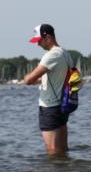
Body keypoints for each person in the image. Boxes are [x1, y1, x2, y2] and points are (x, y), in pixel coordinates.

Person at [24, 24, 73, 156]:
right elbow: (61, 77)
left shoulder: (51, 55)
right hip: (62, 106)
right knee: (63, 150)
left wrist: (28, 77)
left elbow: (28, 80)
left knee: (52, 151)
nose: (38, 44)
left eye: (39, 40)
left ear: (49, 37)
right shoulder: (65, 53)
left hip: (50, 108)